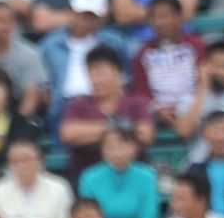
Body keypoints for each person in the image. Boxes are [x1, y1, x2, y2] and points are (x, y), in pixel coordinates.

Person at [40, 0, 128, 130]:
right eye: (81, 14)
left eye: (91, 16)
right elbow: (43, 83)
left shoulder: (114, 43)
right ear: (71, 12)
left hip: (106, 105)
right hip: (64, 107)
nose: (85, 20)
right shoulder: (50, 44)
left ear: (101, 18)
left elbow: (125, 77)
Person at [57, 47, 153, 180]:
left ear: (118, 73)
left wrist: (91, 135)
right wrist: (117, 127)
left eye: (100, 73)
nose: (95, 80)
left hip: (131, 177)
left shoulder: (136, 103)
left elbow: (145, 135)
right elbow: (68, 134)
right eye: (91, 74)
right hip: (86, 176)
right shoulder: (78, 105)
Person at [130, 0, 205, 134]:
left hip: (193, 107)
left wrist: (193, 107)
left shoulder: (196, 46)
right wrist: (159, 110)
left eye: (164, 16)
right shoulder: (143, 53)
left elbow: (204, 81)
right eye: (153, 18)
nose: (159, 23)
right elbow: (141, 91)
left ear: (179, 17)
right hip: (158, 112)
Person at [78, 123, 161, 218]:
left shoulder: (147, 177)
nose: (117, 153)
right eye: (111, 148)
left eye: (123, 146)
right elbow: (89, 217)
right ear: (102, 149)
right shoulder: (89, 178)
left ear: (135, 147)